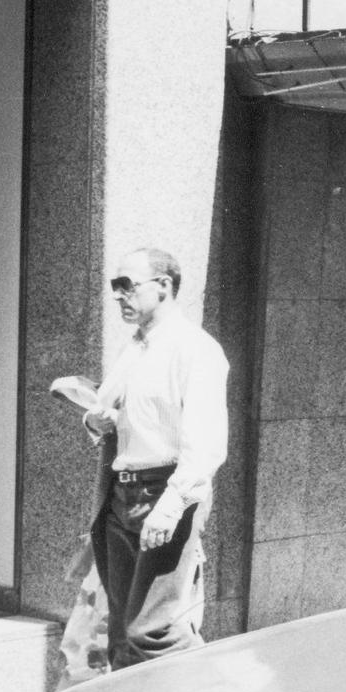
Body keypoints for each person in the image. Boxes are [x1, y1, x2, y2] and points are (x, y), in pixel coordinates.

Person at [82, 248, 228, 670]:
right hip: (121, 494)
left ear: (164, 286)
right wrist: (101, 421)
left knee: (155, 630)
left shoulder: (195, 349)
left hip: (166, 493)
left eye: (127, 285)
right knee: (123, 631)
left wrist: (170, 506)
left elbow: (206, 441)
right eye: (114, 287)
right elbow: (118, 413)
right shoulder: (136, 349)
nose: (118, 296)